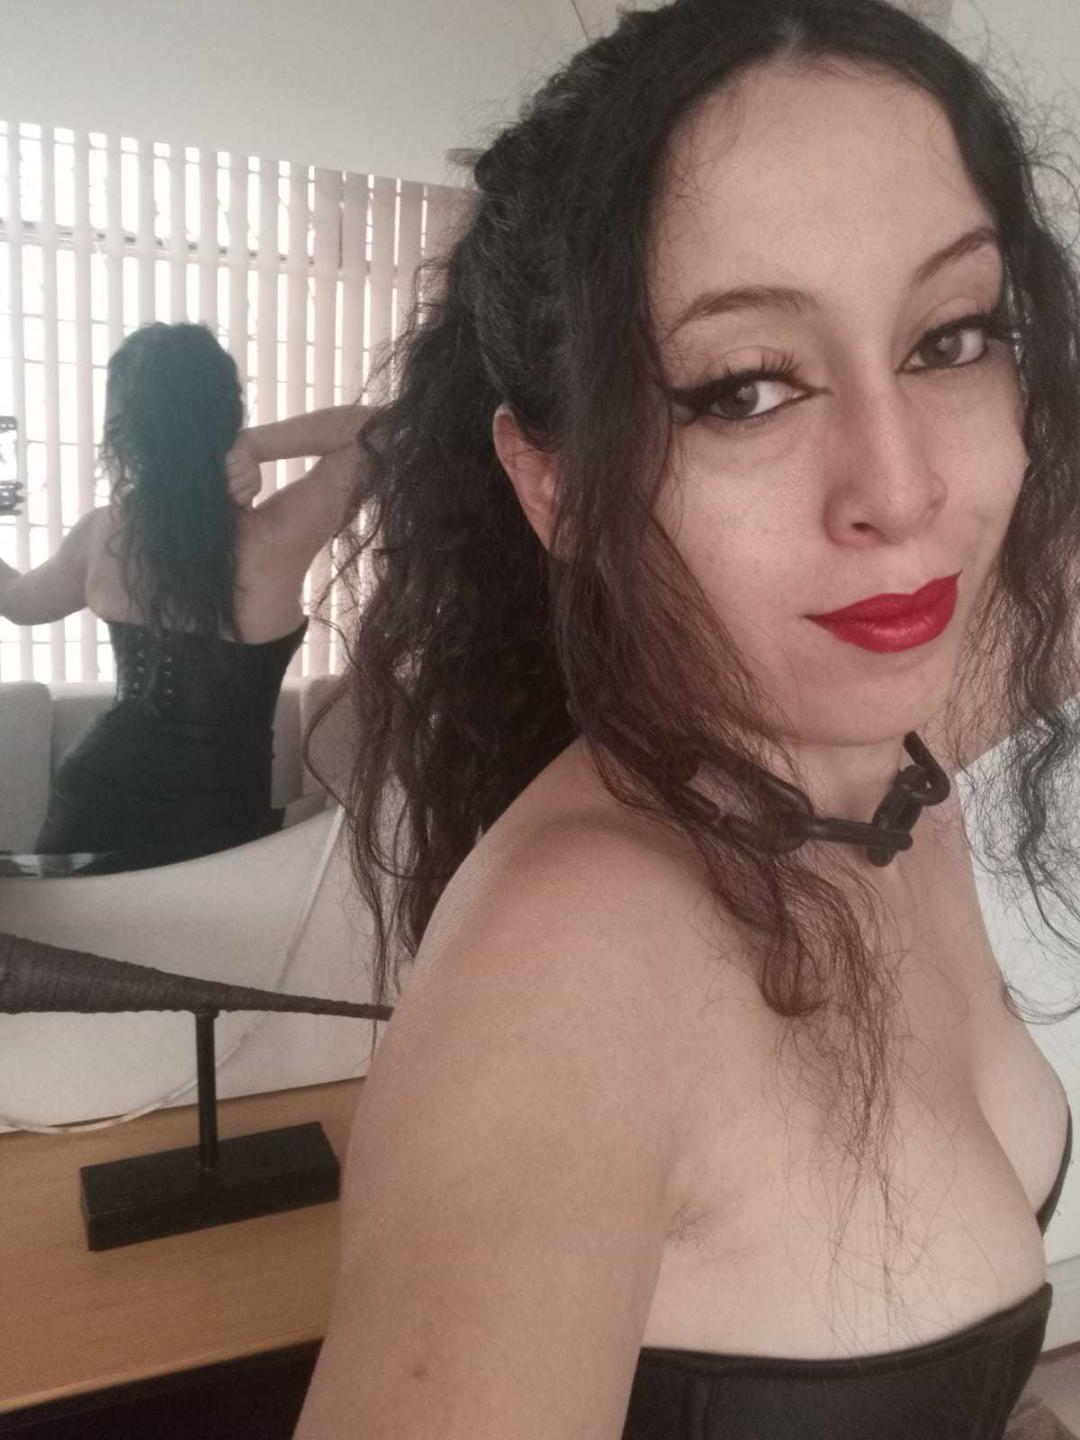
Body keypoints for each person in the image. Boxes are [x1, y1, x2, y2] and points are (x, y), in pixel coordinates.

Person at [294, 0, 1080, 1436]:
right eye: (747, 389)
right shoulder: (573, 964)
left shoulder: (890, 774)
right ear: (557, 487)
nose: (901, 489)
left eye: (951, 337)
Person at [0, 321, 368, 862]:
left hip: (94, 807)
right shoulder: (277, 536)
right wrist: (259, 444)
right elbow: (393, 430)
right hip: (220, 831)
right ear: (227, 417)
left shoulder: (103, 536)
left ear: (124, 434)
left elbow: (16, 601)